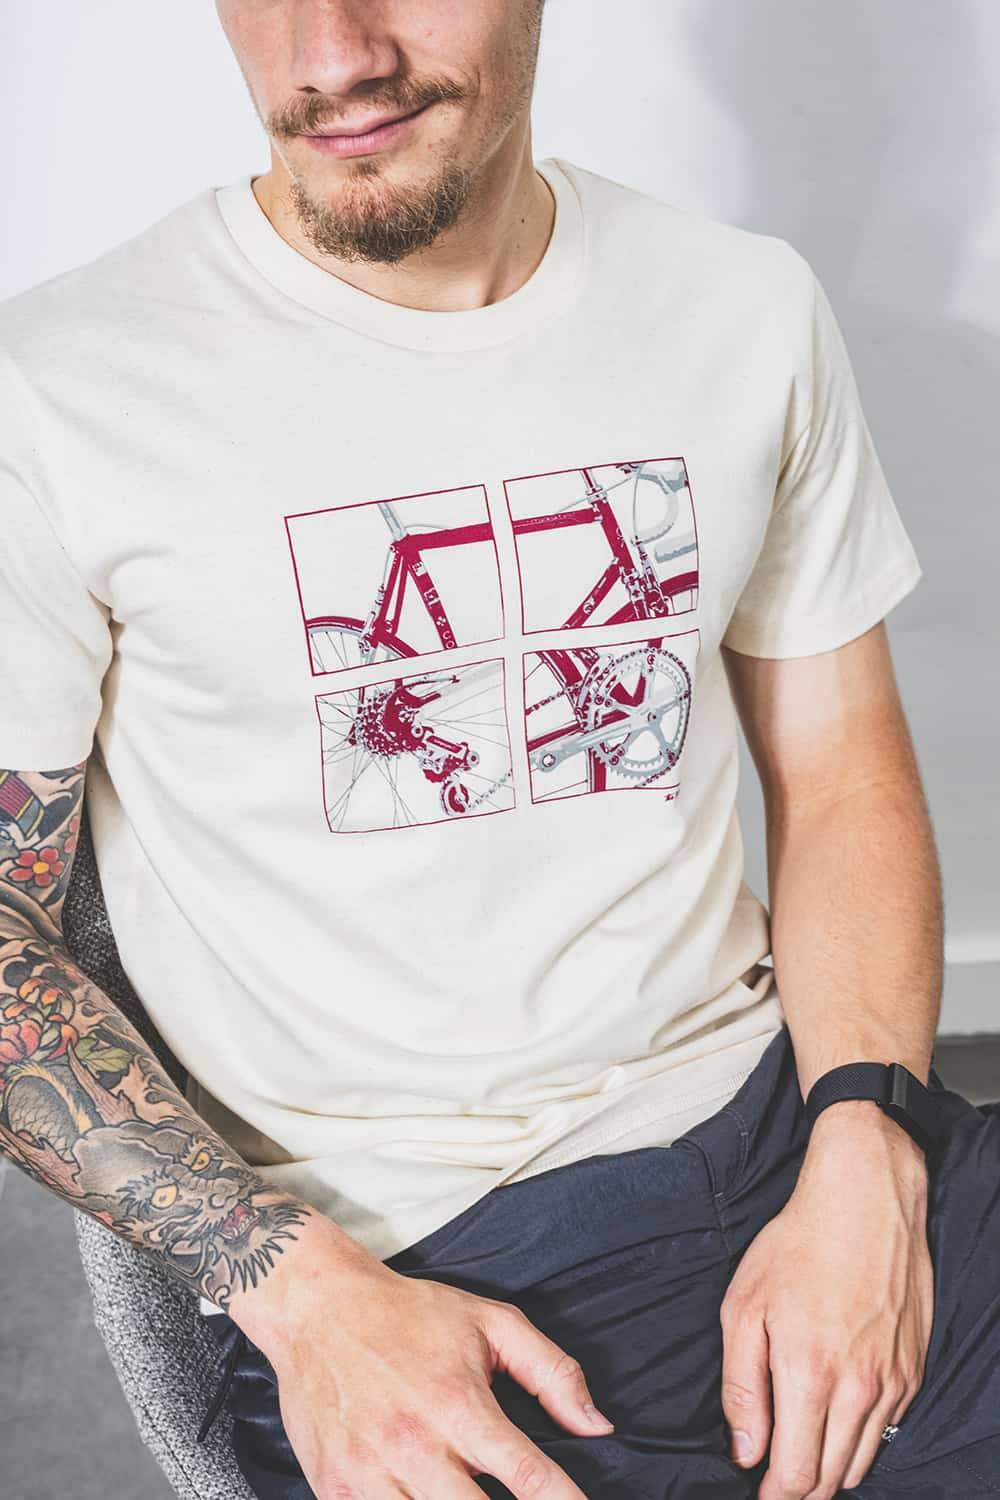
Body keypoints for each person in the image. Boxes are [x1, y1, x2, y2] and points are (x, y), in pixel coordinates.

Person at [1, 2, 997, 1496]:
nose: (331, 55)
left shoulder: (744, 308)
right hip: (413, 1264)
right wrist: (301, 1296)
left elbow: (843, 768)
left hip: (790, 1126)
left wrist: (869, 1143)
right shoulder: (58, 386)